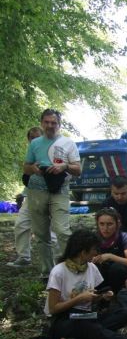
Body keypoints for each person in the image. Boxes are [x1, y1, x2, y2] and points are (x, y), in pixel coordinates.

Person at [44, 229, 127, 339]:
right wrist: (78, 299)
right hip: (64, 319)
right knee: (87, 324)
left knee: (122, 313)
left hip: (86, 315)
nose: (96, 253)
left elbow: (91, 298)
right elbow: (53, 308)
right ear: (83, 252)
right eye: (94, 249)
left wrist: (102, 297)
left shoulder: (91, 267)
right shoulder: (58, 272)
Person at [23, 109, 81, 279]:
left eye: (53, 122)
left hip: (59, 190)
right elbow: (26, 167)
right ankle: (48, 273)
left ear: (59, 124)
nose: (50, 126)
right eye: (47, 122)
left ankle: (70, 269)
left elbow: (78, 169)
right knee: (41, 234)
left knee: (62, 230)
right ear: (42, 123)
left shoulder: (68, 143)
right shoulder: (35, 143)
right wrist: (33, 168)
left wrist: (64, 166)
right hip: (36, 191)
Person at [8, 127, 57, 268]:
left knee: (49, 231)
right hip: (31, 195)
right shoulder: (30, 155)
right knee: (21, 224)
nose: (34, 140)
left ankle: (57, 262)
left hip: (48, 196)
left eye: (37, 137)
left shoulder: (51, 152)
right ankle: (24, 257)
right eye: (32, 138)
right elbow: (26, 177)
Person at [92, 208, 127, 294]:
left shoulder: (123, 237)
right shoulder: (93, 238)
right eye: (101, 224)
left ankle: (118, 296)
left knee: (117, 268)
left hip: (120, 276)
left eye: (110, 224)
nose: (105, 228)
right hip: (100, 277)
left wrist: (110, 256)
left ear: (117, 224)